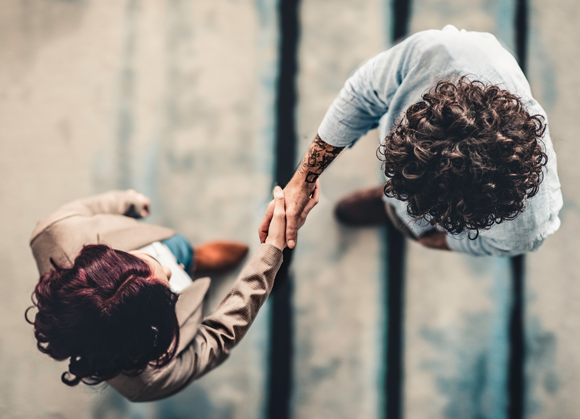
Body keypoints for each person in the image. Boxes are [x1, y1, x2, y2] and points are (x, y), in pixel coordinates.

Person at [259, 25, 562, 257]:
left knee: (409, 221)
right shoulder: (440, 53)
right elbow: (362, 95)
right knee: (404, 205)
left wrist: (434, 239)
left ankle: (392, 211)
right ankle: (391, 206)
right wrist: (301, 181)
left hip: (448, 218)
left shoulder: (526, 229)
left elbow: (491, 244)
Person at [27, 187, 318, 402]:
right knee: (181, 262)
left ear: (108, 256)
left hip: (156, 247)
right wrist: (271, 253)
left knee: (180, 251)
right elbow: (218, 336)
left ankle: (195, 258)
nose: (168, 271)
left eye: (143, 262)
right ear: (145, 334)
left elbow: (87, 208)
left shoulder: (53, 232)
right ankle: (193, 261)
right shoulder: (150, 380)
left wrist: (128, 201)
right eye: (167, 291)